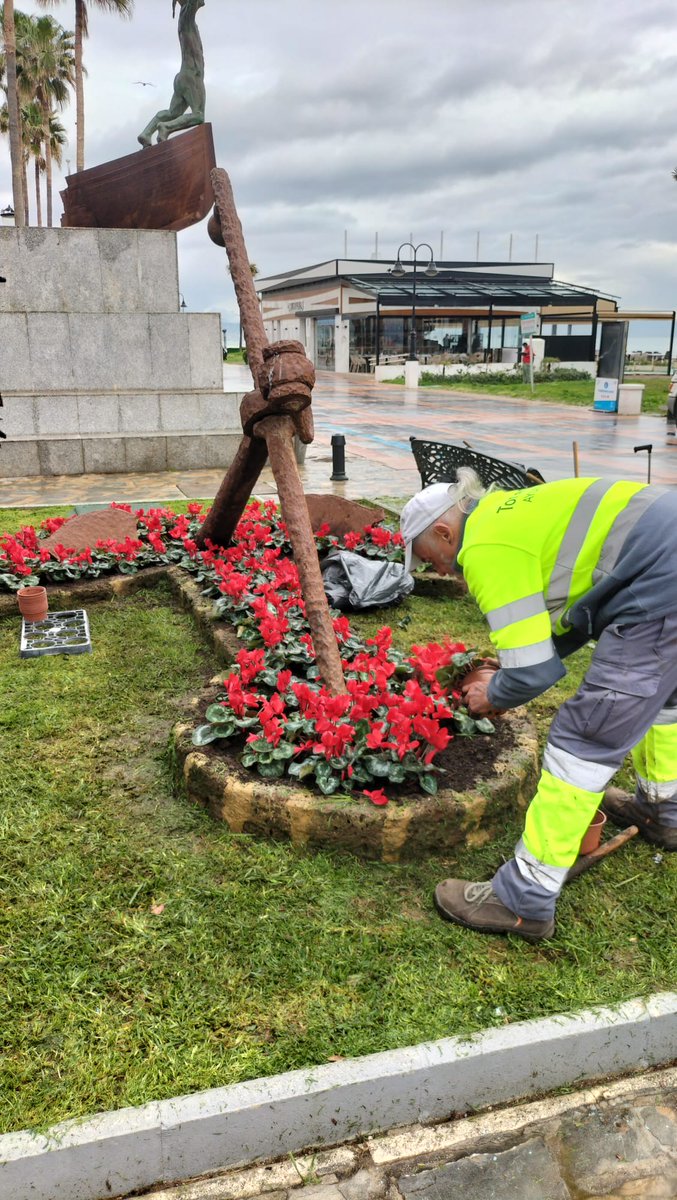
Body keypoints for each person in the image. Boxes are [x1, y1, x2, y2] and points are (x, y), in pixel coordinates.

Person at [400, 469, 677, 942]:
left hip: (660, 587)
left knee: (584, 739)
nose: (438, 571)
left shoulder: (483, 546)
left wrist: (494, 693)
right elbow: (574, 616)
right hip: (664, 562)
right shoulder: (509, 513)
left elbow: (533, 673)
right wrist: (507, 672)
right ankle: (662, 810)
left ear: (444, 532)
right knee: (666, 702)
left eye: (428, 558)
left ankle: (523, 898)